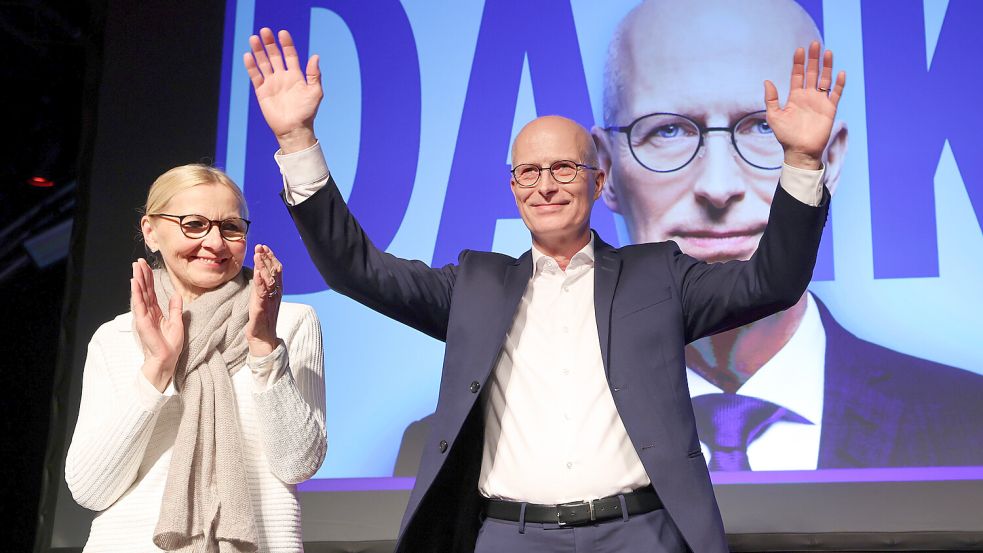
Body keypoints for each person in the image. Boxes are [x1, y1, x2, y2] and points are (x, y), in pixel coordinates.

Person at [245, 24, 841, 553]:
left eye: (564, 169)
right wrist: (298, 142)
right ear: (513, 187)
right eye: (529, 172)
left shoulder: (658, 276)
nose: (546, 185)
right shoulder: (475, 286)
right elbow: (356, 270)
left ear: (598, 179)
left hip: (640, 533)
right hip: (511, 535)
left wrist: (801, 161)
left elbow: (774, 280)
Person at [593, 0, 983, 471]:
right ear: (607, 170)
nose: (719, 188)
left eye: (764, 126)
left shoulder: (968, 421)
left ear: (828, 162)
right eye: (669, 130)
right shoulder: (548, 424)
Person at [65, 164, 326, 552]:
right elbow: (91, 489)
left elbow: (297, 463)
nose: (216, 243)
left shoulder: (288, 322)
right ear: (151, 232)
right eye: (194, 224)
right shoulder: (116, 338)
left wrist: (264, 348)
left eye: (231, 227)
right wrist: (157, 369)